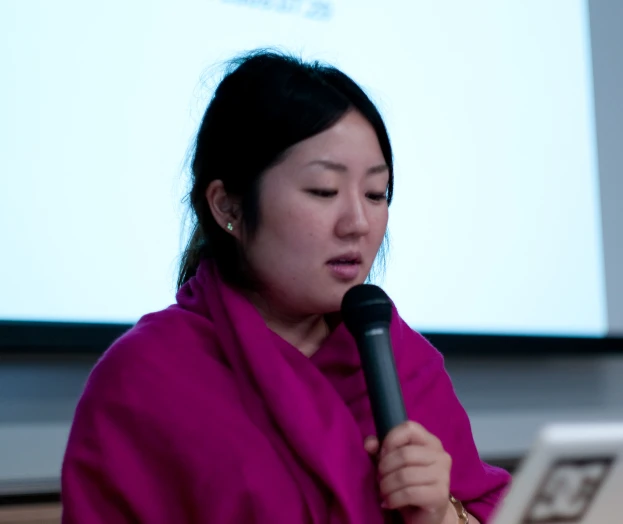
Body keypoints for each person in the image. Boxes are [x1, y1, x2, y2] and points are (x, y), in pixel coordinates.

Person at [60, 50, 511, 523]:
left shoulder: (404, 363)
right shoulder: (145, 378)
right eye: (323, 191)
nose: (358, 222)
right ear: (227, 206)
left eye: (376, 194)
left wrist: (439, 515)